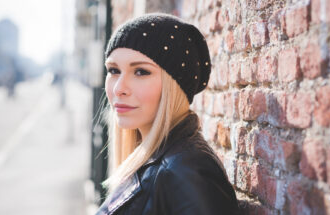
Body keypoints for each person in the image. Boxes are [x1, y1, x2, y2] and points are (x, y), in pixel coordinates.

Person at [96, 13, 239, 215]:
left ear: (174, 86)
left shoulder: (186, 171)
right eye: (113, 70)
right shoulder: (159, 161)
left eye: (141, 72)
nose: (119, 88)